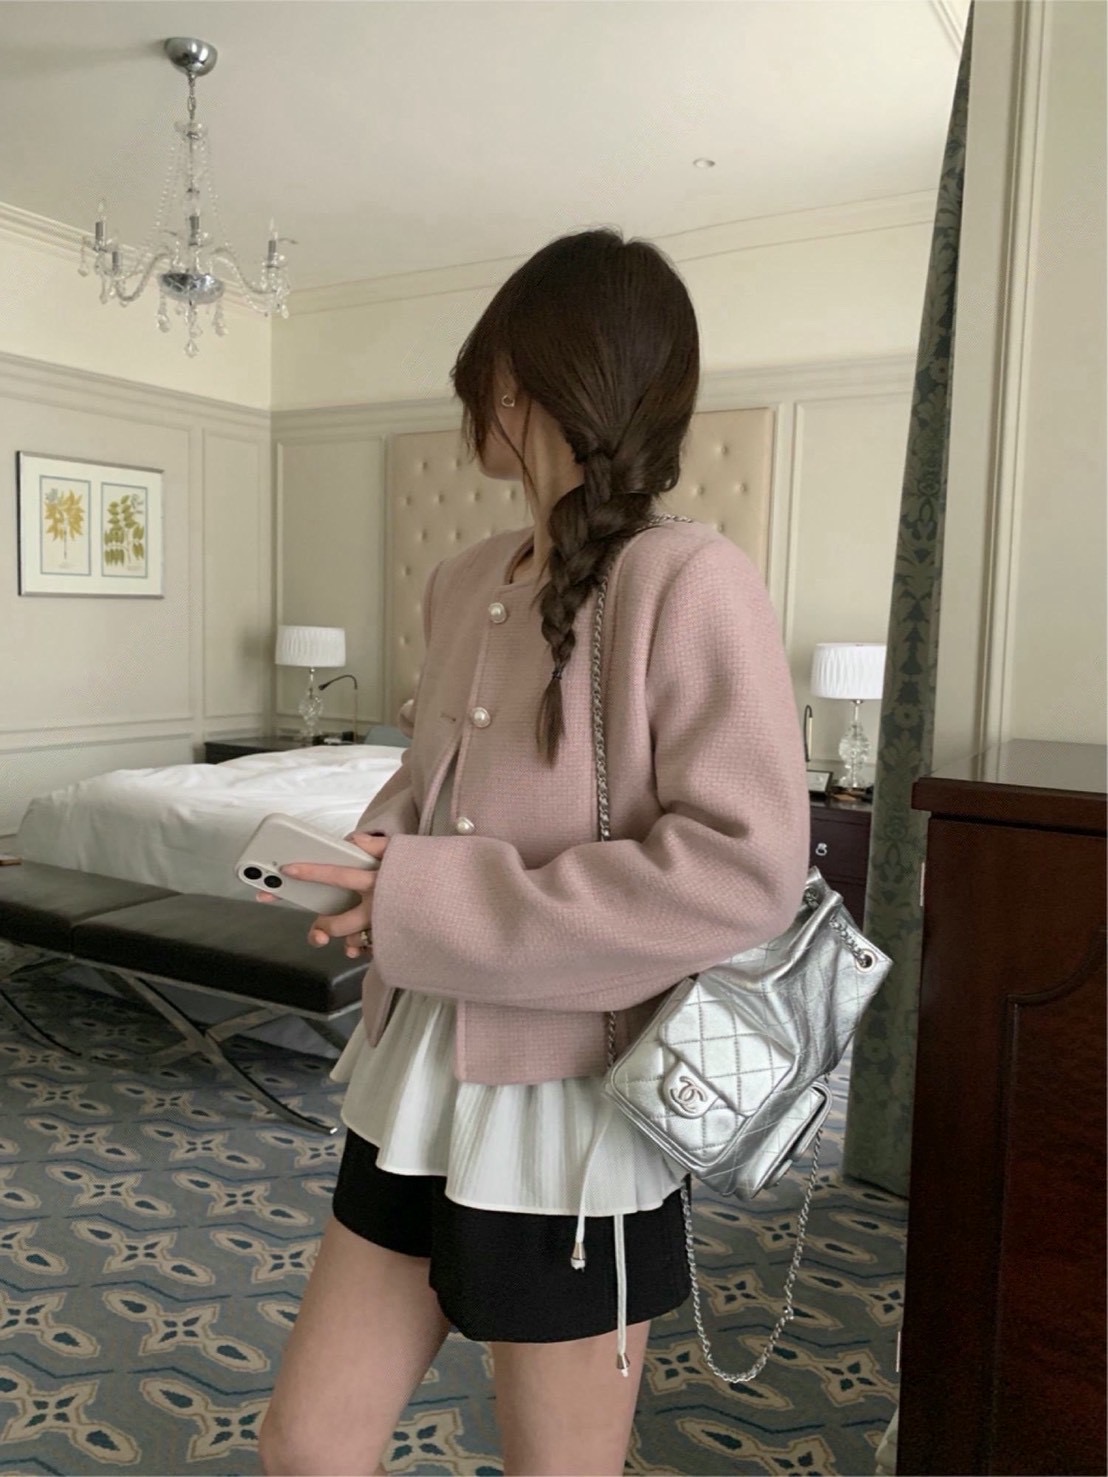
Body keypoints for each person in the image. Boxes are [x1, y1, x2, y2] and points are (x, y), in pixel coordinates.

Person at [257, 226, 810, 1477]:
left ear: (532, 376)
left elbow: (743, 870)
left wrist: (429, 898)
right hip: (416, 1069)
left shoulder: (689, 579)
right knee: (307, 1443)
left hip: (573, 1104)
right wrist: (378, 857)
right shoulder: (463, 578)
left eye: (495, 364)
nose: (477, 390)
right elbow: (430, 778)